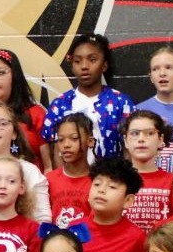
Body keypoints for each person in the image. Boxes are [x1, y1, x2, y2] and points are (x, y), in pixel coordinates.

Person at [40, 33, 135, 168]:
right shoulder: (60, 104)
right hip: (72, 183)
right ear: (72, 66)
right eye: (77, 61)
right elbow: (57, 152)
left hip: (111, 181)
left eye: (92, 59)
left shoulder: (121, 102)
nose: (84, 66)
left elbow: (128, 150)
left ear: (104, 65)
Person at [121, 110, 173, 231]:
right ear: (126, 141)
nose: (141, 139)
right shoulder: (115, 181)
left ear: (161, 139)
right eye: (135, 133)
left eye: (149, 133)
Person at [44, 114, 95, 227]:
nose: (66, 145)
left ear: (90, 141)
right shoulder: (48, 180)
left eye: (74, 138)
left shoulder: (98, 181)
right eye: (61, 140)